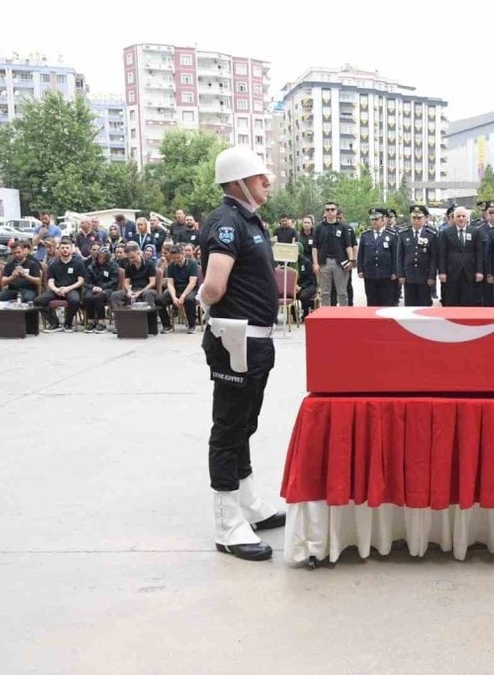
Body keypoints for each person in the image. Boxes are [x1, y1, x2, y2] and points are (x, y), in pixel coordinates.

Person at [197, 146, 285, 562]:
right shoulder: (227, 222)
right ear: (237, 182)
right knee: (229, 429)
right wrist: (205, 303)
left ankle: (249, 505)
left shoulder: (249, 220)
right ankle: (227, 524)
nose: (267, 182)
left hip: (256, 340)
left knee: (246, 423)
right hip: (237, 339)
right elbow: (214, 287)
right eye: (259, 176)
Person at [34, 237, 85, 333]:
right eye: (62, 248)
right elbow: (50, 281)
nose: (65, 250)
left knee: (75, 300)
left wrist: (67, 288)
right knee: (38, 301)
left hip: (71, 289)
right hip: (56, 290)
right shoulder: (53, 264)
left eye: (67, 247)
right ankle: (54, 323)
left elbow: (81, 281)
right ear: (59, 249)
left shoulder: (78, 263)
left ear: (71, 249)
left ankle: (68, 324)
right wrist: (55, 289)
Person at [436, 206, 483, 307]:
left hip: (469, 272)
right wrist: (442, 272)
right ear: (454, 218)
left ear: (467, 218)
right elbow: (442, 254)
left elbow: (479, 253)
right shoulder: (446, 233)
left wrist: (479, 271)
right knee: (451, 302)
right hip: (451, 273)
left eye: (463, 216)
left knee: (468, 303)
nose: (461, 218)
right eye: (458, 216)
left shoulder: (475, 232)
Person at [397, 205, 438, 307]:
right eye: (414, 218)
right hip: (409, 276)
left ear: (424, 219)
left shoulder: (431, 234)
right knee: (410, 305)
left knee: (425, 305)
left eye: (419, 218)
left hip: (424, 276)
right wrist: (400, 275)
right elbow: (400, 256)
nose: (416, 221)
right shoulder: (403, 234)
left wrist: (432, 276)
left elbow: (433, 257)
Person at [357, 207, 398, 307]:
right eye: (372, 219)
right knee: (371, 301)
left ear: (383, 219)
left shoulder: (392, 235)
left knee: (386, 301)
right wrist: (360, 269)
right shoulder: (365, 235)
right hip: (370, 274)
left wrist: (395, 272)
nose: (374, 222)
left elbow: (395, 255)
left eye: (376, 219)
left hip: (386, 275)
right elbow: (361, 254)